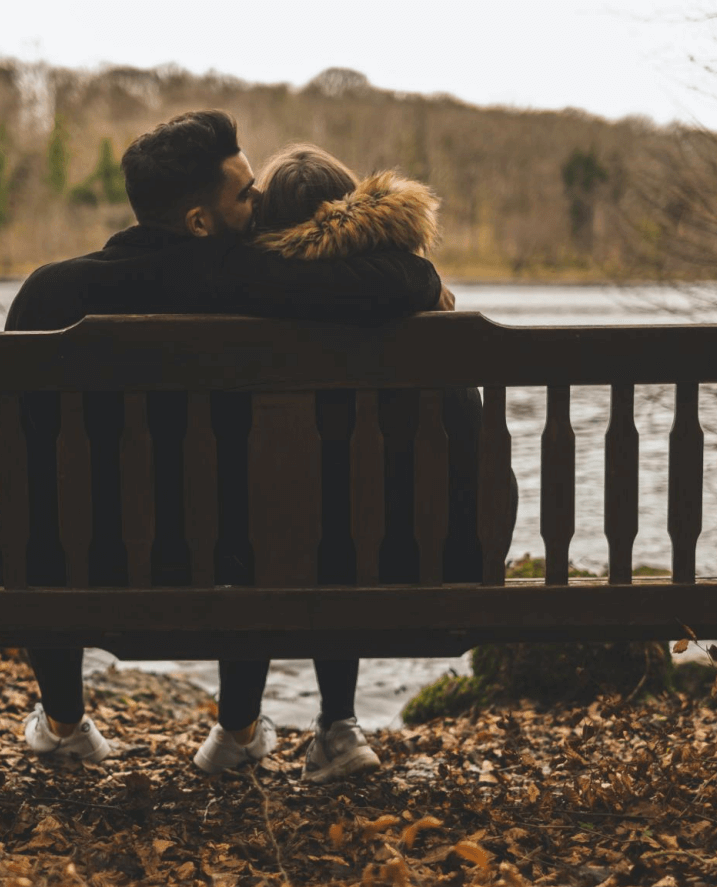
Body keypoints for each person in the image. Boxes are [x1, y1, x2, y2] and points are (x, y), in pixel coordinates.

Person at [0, 112, 443, 768]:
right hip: (226, 562)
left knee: (44, 518)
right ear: (200, 222)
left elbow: (0, 447)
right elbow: (400, 280)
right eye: (246, 193)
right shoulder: (244, 280)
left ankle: (63, 721)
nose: (258, 203)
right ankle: (246, 728)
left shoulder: (47, 291)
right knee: (250, 512)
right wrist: (424, 277)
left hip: (62, 562)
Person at [196, 144, 495, 783]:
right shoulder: (415, 301)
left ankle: (237, 727)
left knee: (265, 513)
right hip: (417, 561)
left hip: (248, 560)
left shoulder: (230, 301)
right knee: (351, 509)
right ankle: (338, 725)